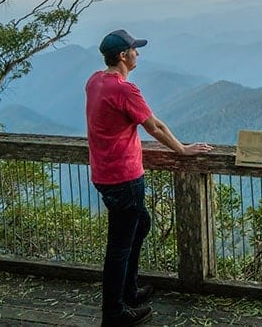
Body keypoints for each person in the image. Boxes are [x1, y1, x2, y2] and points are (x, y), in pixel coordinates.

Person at [86, 29, 213, 326]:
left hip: (104, 173)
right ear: (123, 56)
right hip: (124, 177)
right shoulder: (124, 90)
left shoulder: (94, 82)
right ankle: (115, 313)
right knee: (118, 247)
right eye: (134, 50)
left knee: (140, 224)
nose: (137, 54)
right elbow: (154, 126)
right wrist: (182, 149)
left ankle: (128, 291)